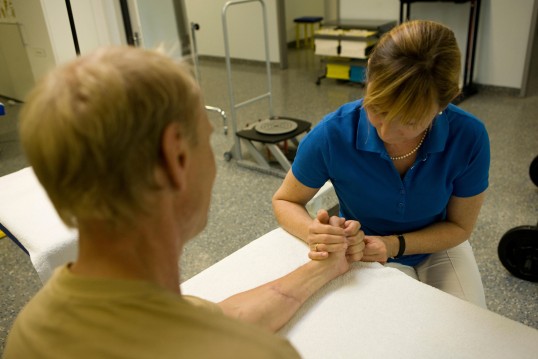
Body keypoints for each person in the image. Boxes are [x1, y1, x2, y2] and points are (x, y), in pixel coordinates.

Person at [3, 46, 353, 359]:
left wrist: (322, 267)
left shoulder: (29, 331)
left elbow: (220, 318)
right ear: (176, 159)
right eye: (207, 140)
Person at [273, 20, 490, 308]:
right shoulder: (332, 134)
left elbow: (460, 227)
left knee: (467, 331)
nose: (385, 133)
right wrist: (312, 231)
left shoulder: (469, 137)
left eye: (410, 122)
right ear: (369, 74)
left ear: (444, 103)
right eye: (378, 109)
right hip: (364, 247)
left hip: (437, 243)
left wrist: (394, 245)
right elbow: (285, 200)